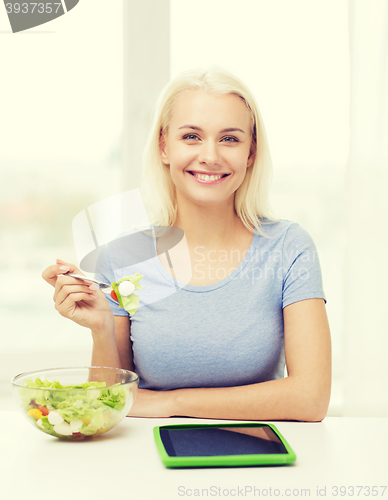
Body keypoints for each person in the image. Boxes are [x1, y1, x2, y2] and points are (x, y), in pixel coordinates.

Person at [42, 66, 331, 422]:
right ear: (164, 146)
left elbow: (311, 398)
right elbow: (108, 403)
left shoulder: (289, 248)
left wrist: (171, 403)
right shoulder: (121, 257)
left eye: (229, 139)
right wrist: (102, 326)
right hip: (142, 459)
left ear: (251, 153)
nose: (210, 156)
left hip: (258, 457)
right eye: (191, 136)